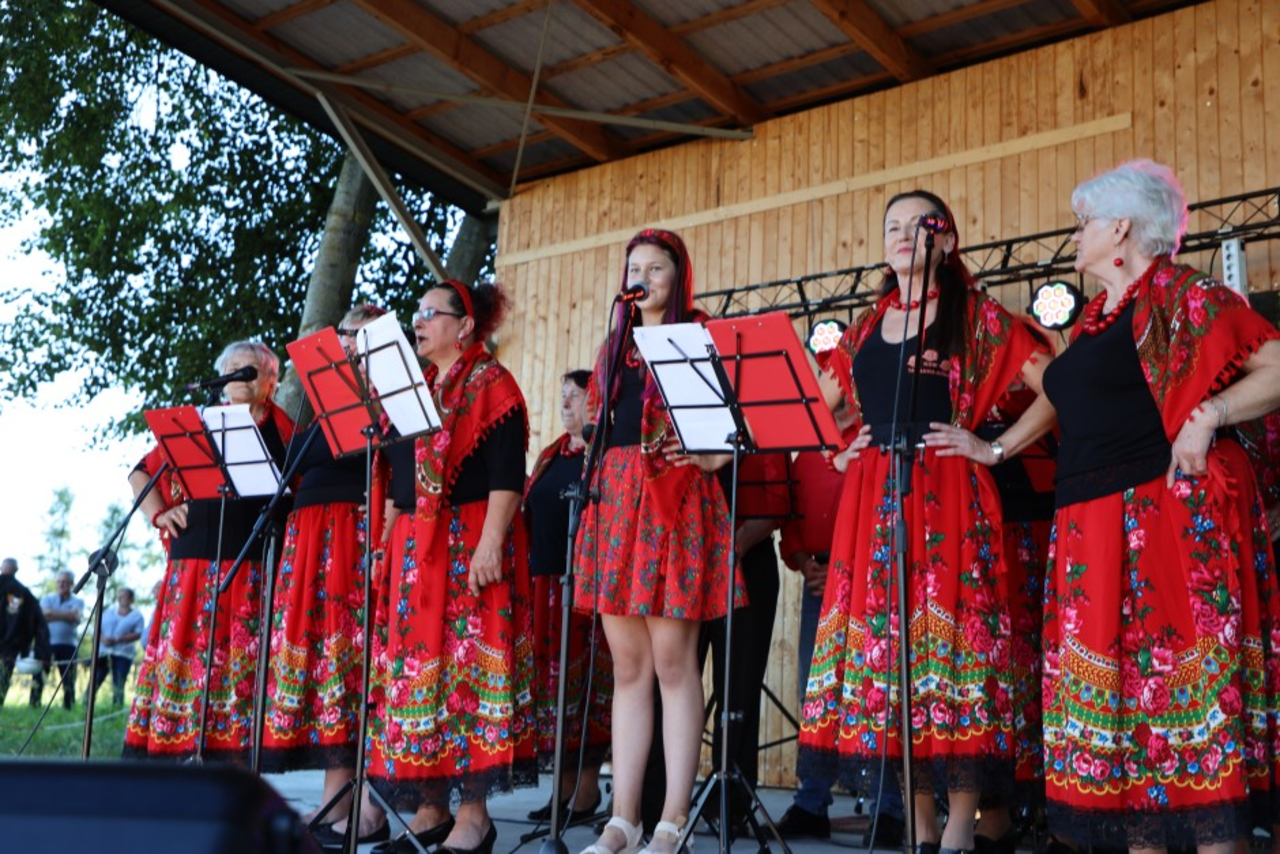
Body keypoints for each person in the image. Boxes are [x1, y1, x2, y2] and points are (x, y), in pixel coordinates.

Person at [798, 190, 1056, 854]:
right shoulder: (863, 327)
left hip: (950, 493)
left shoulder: (977, 316)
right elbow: (810, 404)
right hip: (873, 501)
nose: (903, 235)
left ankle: (960, 831)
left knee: (954, 653)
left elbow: (1058, 386)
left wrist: (995, 448)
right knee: (893, 663)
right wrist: (837, 450)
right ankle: (919, 829)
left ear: (947, 240)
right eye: (893, 226)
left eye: (919, 225)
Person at [1040, 159, 1280, 852]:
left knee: (1186, 704)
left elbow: (1276, 364)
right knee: (1124, 725)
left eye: (1084, 222)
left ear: (1121, 227)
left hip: (1160, 521)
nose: (1076, 235)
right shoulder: (1093, 320)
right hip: (1089, 523)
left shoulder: (1182, 291)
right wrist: (991, 448)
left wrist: (1209, 415)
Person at [573, 228, 735, 854]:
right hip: (615, 505)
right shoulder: (614, 348)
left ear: (678, 276)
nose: (642, 278)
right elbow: (595, 428)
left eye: (656, 268)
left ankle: (672, 820)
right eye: (634, 268)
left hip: (673, 500)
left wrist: (710, 456)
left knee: (673, 663)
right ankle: (624, 819)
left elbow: (729, 433)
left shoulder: (698, 336)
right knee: (630, 668)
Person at [364, 279, 535, 854]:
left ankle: (474, 818)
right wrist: (387, 545)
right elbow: (399, 481)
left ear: (464, 325)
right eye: (416, 312)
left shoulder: (493, 384)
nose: (417, 320)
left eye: (430, 312)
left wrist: (491, 544)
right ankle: (430, 810)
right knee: (423, 679)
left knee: (468, 677)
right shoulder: (415, 393)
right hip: (420, 549)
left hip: (471, 541)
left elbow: (508, 473)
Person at [124, 339, 295, 762]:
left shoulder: (284, 429)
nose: (239, 375)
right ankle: (170, 752)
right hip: (192, 564)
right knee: (183, 655)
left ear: (271, 381)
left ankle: (229, 761)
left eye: (249, 369)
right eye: (232, 367)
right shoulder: (198, 424)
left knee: (238, 663)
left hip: (249, 567)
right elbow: (141, 473)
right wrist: (159, 513)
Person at [257, 305, 388, 848]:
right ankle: (337, 795)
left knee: (350, 662)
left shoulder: (389, 399)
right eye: (345, 336)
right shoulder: (324, 404)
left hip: (351, 534)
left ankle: (364, 804)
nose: (349, 346)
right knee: (326, 665)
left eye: (359, 337)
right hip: (309, 538)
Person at [775, 394, 906, 845]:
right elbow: (791, 522)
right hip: (819, 583)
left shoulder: (870, 438)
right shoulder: (809, 449)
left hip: (870, 577)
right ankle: (811, 802)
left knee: (875, 689)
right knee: (816, 692)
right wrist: (803, 562)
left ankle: (889, 808)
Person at [525, 369, 610, 825]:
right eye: (562, 396)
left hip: (586, 588)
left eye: (574, 396)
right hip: (546, 583)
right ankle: (562, 789)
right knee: (554, 693)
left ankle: (585, 790)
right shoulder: (551, 454)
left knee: (588, 690)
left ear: (594, 402)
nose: (565, 403)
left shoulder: (602, 455)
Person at [0, 558, 51, 709]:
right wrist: (42, 652)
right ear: (16, 570)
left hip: (11, 645)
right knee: (4, 675)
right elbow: (40, 624)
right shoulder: (26, 594)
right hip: (12, 645)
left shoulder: (24, 594)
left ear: (2, 567)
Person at [92, 587, 145, 707]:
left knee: (119, 682)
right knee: (96, 679)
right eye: (119, 595)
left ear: (131, 599)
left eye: (124, 595)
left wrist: (118, 639)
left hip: (123, 654)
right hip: (104, 653)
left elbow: (138, 633)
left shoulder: (137, 616)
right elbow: (97, 628)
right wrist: (103, 639)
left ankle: (116, 707)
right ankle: (87, 704)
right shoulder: (108, 612)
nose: (121, 598)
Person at [42, 569, 84, 710]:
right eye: (59, 581)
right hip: (47, 644)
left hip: (68, 646)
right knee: (40, 675)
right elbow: (42, 616)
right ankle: (34, 704)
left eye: (65, 582)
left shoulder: (78, 601)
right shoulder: (47, 598)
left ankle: (68, 706)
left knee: (69, 678)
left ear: (71, 584)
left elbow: (75, 617)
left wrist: (51, 613)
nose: (61, 584)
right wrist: (67, 615)